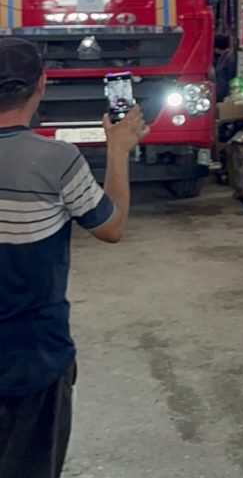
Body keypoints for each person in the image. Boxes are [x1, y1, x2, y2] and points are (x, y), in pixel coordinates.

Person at [0, 37, 149, 478]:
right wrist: (118, 150)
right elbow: (111, 226)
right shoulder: (58, 160)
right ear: (41, 86)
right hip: (35, 359)